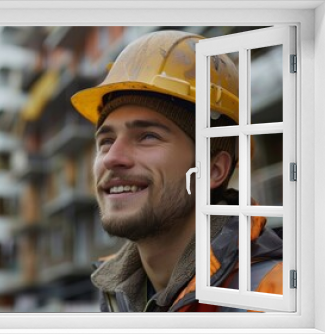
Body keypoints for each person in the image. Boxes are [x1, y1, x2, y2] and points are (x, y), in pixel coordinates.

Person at [70, 30, 283, 312]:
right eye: (106, 141)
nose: (113, 158)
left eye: (147, 136)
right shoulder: (116, 300)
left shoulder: (278, 299)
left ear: (212, 170)